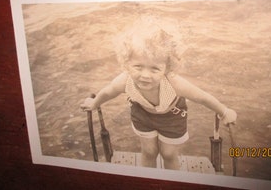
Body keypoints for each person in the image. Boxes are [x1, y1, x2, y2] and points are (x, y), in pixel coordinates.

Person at [80, 16, 237, 170]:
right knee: (149, 151)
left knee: (168, 154)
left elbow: (202, 97)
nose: (145, 75)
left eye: (155, 69)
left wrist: (224, 111)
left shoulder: (174, 83)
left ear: (167, 68)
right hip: (142, 114)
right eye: (138, 67)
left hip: (172, 116)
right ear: (127, 64)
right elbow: (109, 92)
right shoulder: (124, 80)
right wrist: (95, 103)